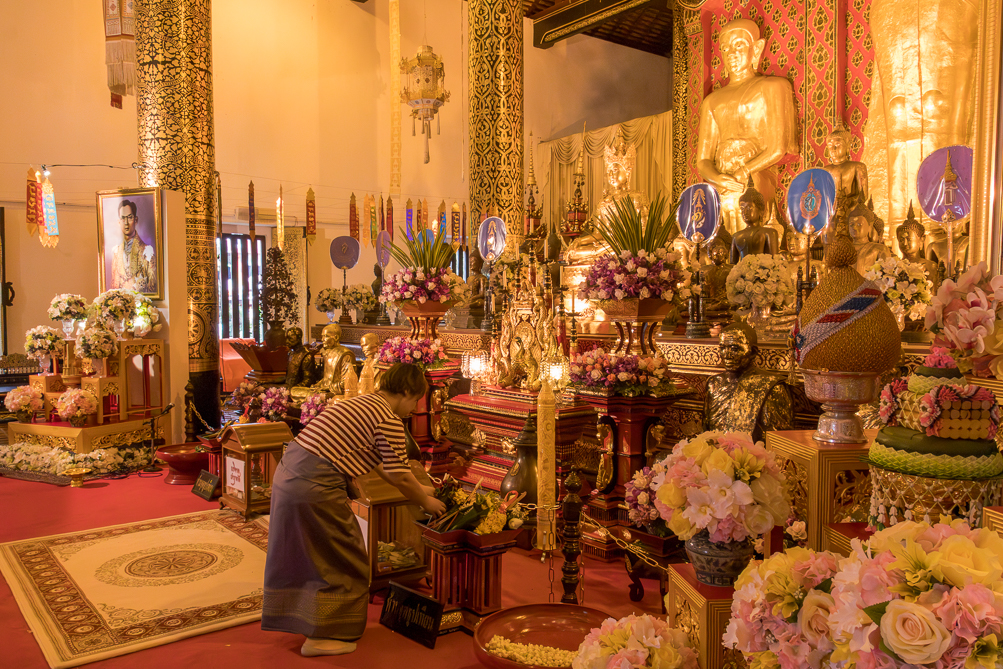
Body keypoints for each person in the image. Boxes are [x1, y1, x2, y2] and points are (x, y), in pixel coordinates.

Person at [262, 363, 446, 657]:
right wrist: (426, 502)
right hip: (313, 485)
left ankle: (309, 623)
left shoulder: (364, 402)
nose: (414, 408)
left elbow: (381, 465)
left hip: (292, 474)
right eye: (416, 400)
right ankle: (323, 636)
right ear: (407, 391)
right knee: (344, 555)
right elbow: (398, 473)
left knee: (308, 555)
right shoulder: (388, 419)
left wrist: (420, 489)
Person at [696, 18, 797, 233]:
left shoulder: (772, 86)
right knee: (719, 241)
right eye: (725, 48)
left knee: (751, 231)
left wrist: (743, 171)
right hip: (722, 184)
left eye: (738, 45)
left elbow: (777, 149)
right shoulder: (712, 101)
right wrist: (719, 178)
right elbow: (703, 160)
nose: (731, 53)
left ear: (757, 48)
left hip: (755, 176)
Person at [110, 199, 157, 293]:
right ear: (119, 222)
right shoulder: (116, 252)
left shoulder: (147, 251)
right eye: (123, 218)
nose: (126, 223)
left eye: (129, 217)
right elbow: (113, 286)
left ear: (136, 220)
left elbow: (153, 287)